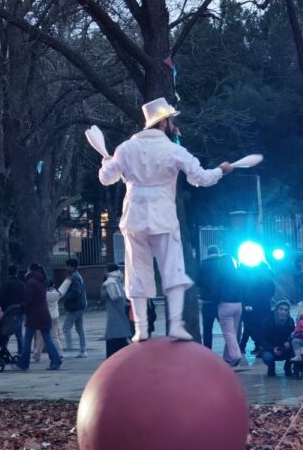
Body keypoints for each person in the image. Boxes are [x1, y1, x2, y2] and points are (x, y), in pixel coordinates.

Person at [98, 97, 234, 342]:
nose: (174, 124)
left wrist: (106, 162)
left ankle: (141, 328)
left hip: (134, 215)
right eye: (171, 120)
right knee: (172, 268)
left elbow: (106, 178)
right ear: (163, 123)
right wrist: (221, 171)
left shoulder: (125, 148)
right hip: (162, 215)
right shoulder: (173, 150)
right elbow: (200, 178)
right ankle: (176, 325)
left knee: (136, 271)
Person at [17, 264, 61, 371]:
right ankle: (56, 361)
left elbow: (29, 300)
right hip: (44, 313)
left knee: (28, 340)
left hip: (33, 314)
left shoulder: (31, 282)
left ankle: (23, 364)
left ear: (31, 270)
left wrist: (25, 312)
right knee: (47, 338)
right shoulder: (42, 281)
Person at [239, 262, 276, 356]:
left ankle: (257, 346)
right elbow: (272, 292)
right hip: (265, 306)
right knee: (261, 327)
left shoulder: (253, 278)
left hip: (254, 306)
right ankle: (258, 347)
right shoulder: (269, 277)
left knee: (250, 327)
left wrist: (248, 303)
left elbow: (249, 291)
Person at [216, 254, 244, 367]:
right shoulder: (237, 274)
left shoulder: (220, 276)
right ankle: (227, 357)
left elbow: (216, 290)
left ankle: (235, 355)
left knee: (228, 333)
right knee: (234, 331)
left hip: (225, 304)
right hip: (238, 304)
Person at [101, 264, 132, 358]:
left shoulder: (109, 283)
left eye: (105, 270)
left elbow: (110, 296)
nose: (104, 272)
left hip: (114, 319)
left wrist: (103, 287)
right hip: (121, 319)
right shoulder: (118, 282)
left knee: (114, 347)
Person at [257, 299, 295, 376]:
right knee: (268, 357)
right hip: (270, 348)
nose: (283, 312)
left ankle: (287, 367)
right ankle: (271, 367)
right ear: (276, 309)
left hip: (284, 347)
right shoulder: (267, 321)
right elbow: (261, 339)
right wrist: (272, 348)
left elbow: (294, 335)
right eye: (281, 309)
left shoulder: (290, 321)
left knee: (296, 351)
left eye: (285, 310)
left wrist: (289, 342)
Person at [60, 258, 88, 357]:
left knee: (66, 328)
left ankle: (69, 349)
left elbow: (76, 292)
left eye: (67, 265)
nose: (65, 267)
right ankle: (83, 350)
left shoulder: (74, 277)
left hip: (75, 307)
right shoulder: (77, 275)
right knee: (80, 327)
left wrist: (65, 296)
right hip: (80, 305)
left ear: (72, 266)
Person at [197, 245, 222, 349]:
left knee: (207, 328)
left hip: (207, 300)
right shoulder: (222, 263)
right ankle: (231, 349)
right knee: (227, 328)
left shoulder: (203, 264)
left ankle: (208, 349)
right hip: (221, 300)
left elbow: (198, 281)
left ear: (207, 253)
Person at [33, 280, 64, 362]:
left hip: (45, 317)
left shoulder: (43, 294)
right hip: (55, 316)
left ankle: (37, 355)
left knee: (39, 337)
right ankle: (59, 352)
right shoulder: (56, 294)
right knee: (55, 336)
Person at [0, 264, 25, 355]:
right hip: (19, 311)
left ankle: (3, 350)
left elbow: (2, 298)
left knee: (5, 333)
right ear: (16, 272)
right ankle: (21, 353)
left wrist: (3, 308)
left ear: (8, 272)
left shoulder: (5, 284)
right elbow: (25, 298)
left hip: (8, 312)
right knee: (19, 334)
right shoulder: (21, 284)